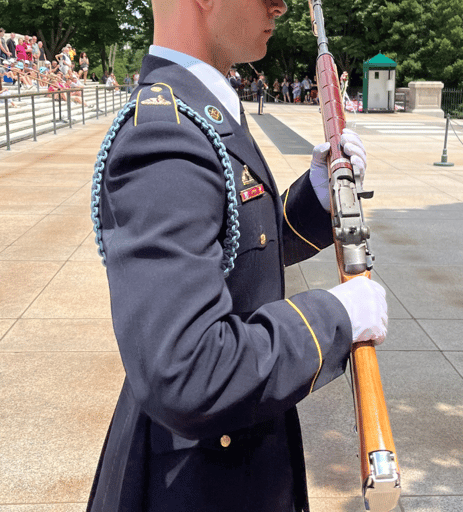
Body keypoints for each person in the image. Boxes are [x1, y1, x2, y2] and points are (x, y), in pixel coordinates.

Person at [85, 0, 385, 511]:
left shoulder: (200, 107)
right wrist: (334, 318)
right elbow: (186, 367)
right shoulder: (165, 134)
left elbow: (239, 252)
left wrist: (314, 196)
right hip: (198, 481)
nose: (280, 5)